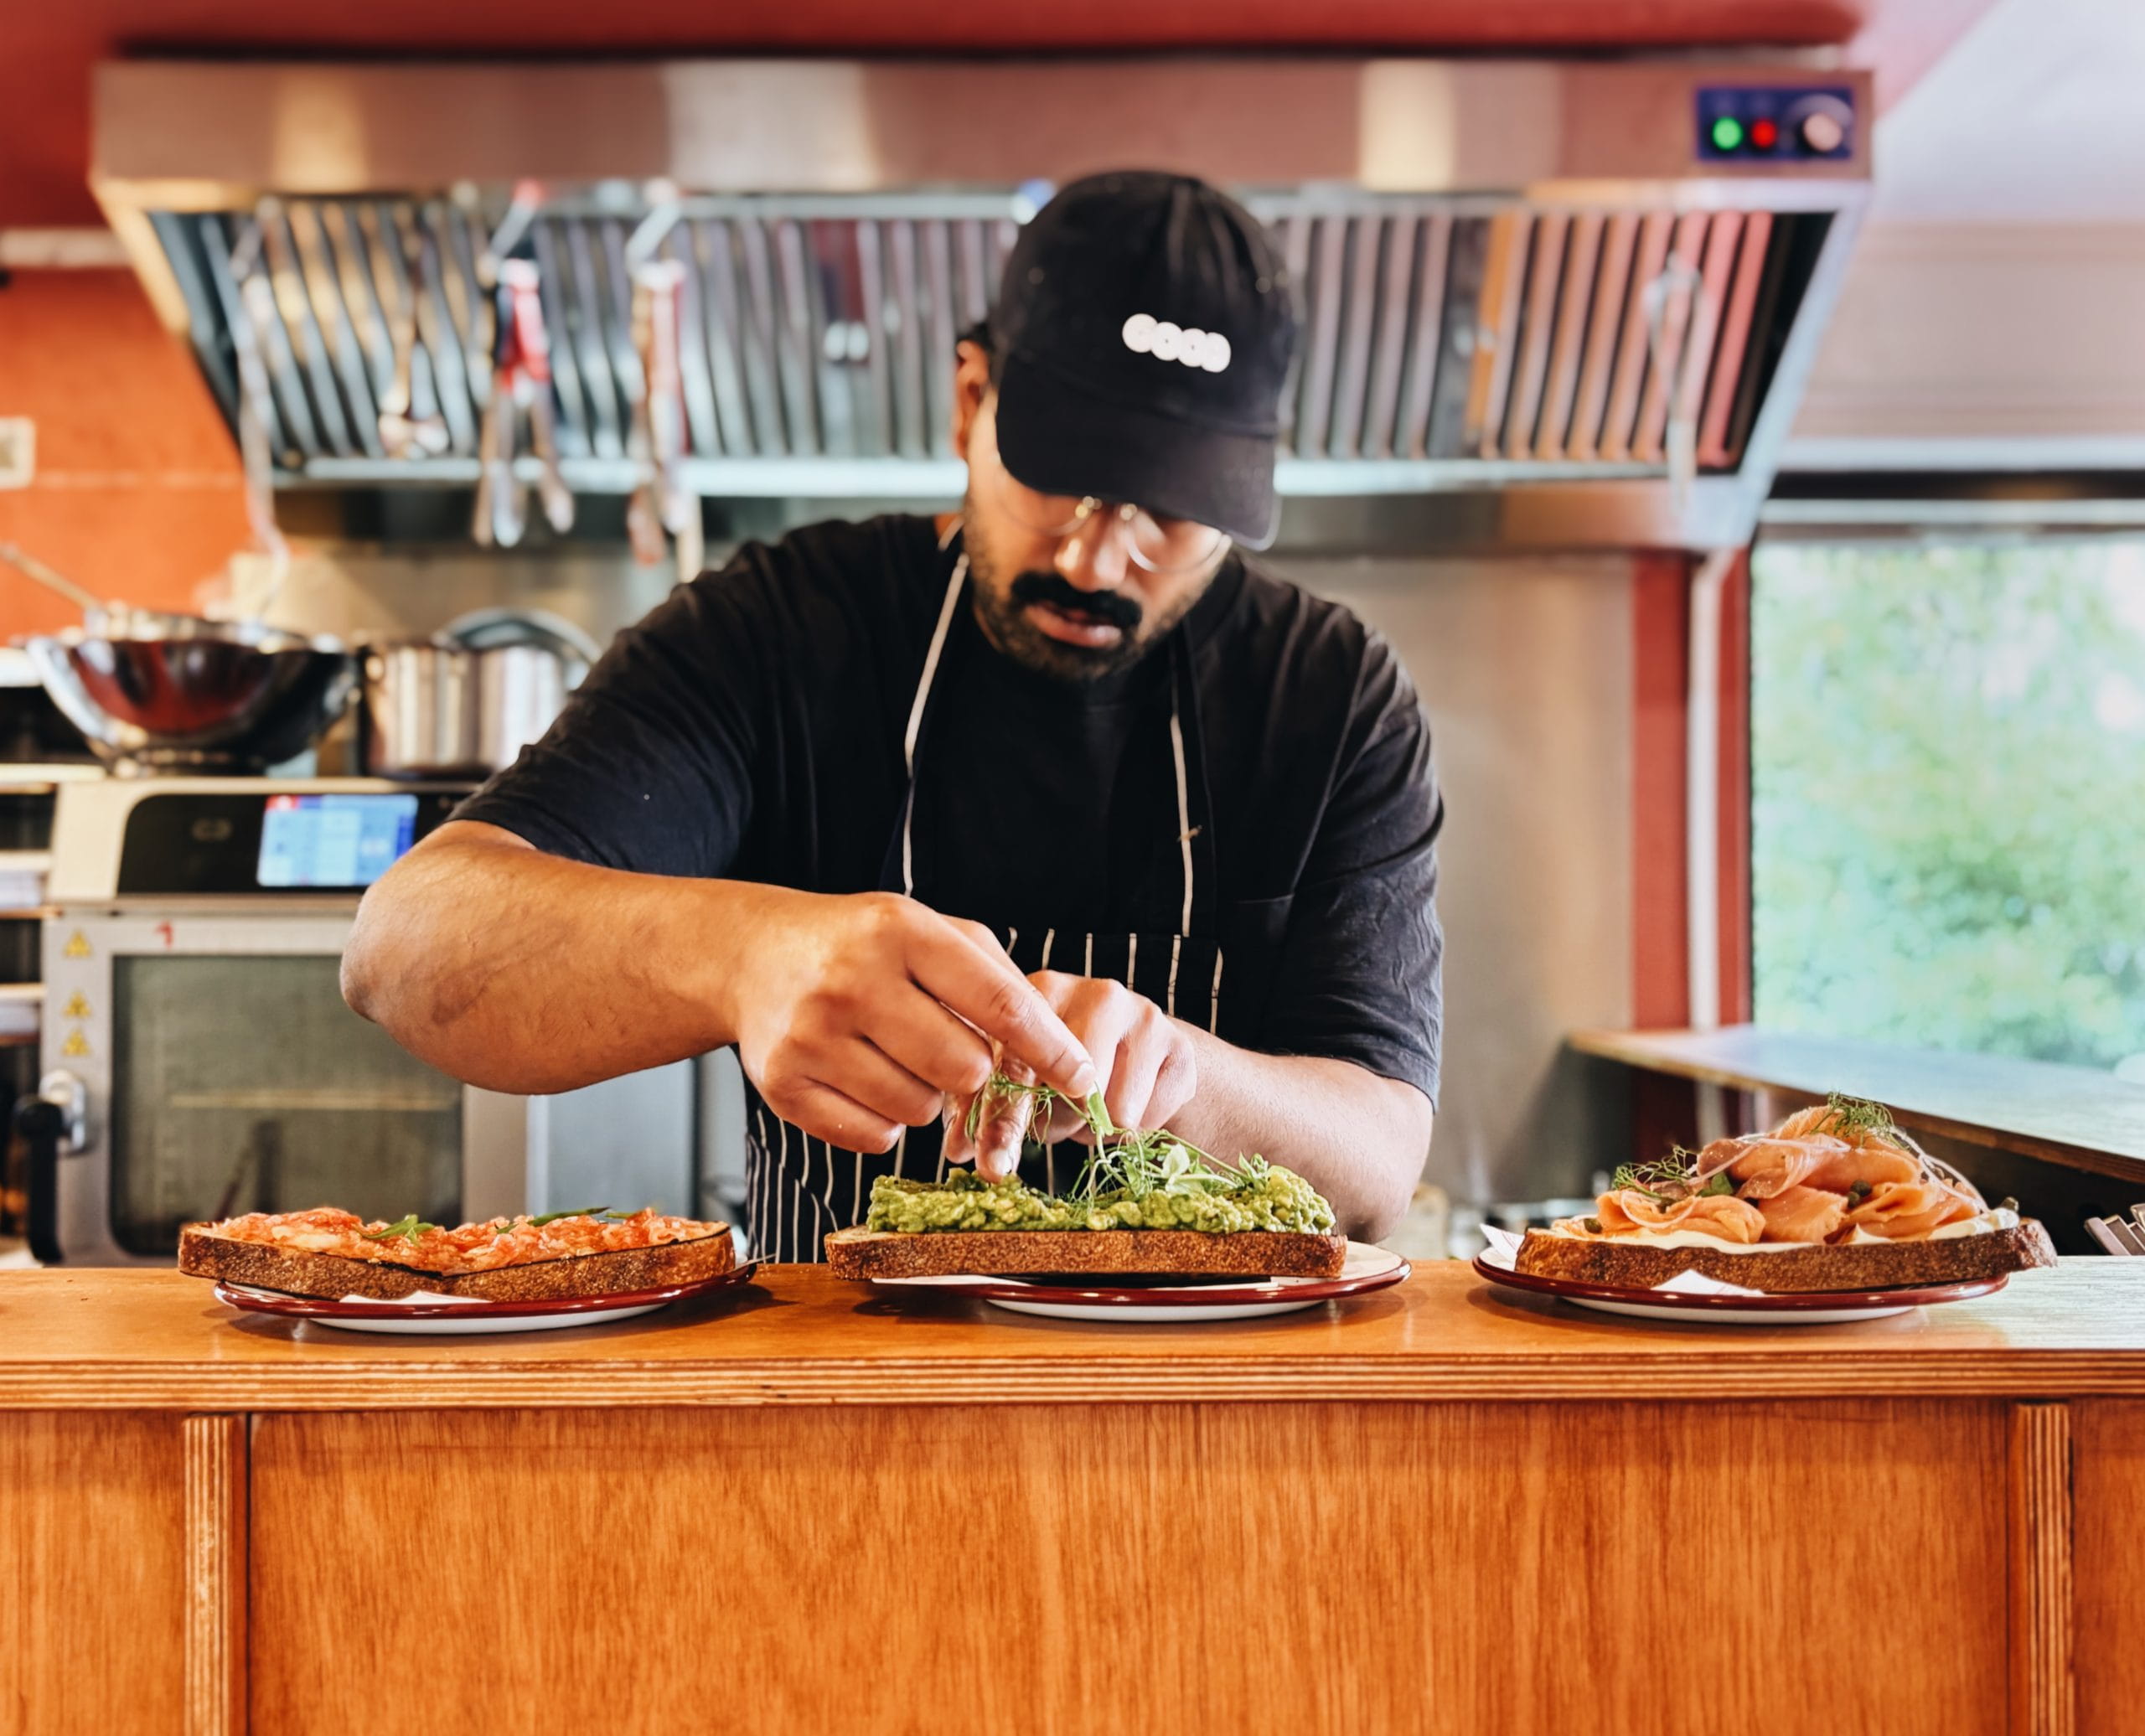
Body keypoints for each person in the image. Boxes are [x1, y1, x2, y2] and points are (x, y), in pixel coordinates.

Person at [344, 170, 1445, 1260]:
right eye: (1063, 479)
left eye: (1172, 511)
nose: (1099, 558)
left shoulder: (1332, 697)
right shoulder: (780, 631)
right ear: (973, 401)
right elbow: (403, 951)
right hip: (825, 1406)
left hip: (1190, 1425)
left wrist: (1192, 1082)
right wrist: (741, 956)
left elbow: (1380, 1164)